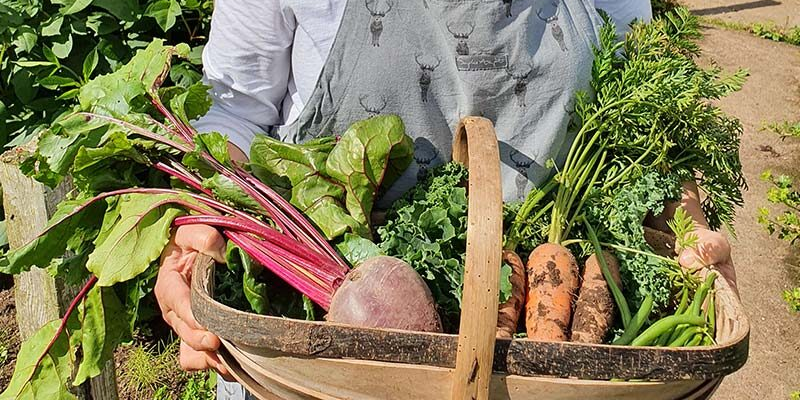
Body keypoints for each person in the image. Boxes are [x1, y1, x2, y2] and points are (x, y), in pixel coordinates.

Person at [153, 1, 736, 398]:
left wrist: (689, 228)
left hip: (540, 359)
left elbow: (641, 125)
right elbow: (233, 114)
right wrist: (191, 226)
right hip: (330, 356)